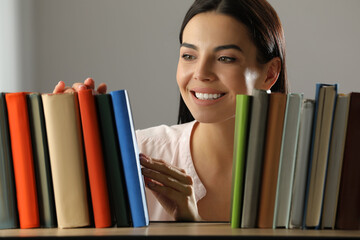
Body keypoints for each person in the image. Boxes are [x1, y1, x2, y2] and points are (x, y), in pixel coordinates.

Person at [53, 0, 288, 222]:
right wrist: (72, 149)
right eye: (189, 56)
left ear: (270, 73)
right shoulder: (134, 156)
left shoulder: (306, 169)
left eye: (225, 58)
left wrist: (190, 227)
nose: (201, 72)